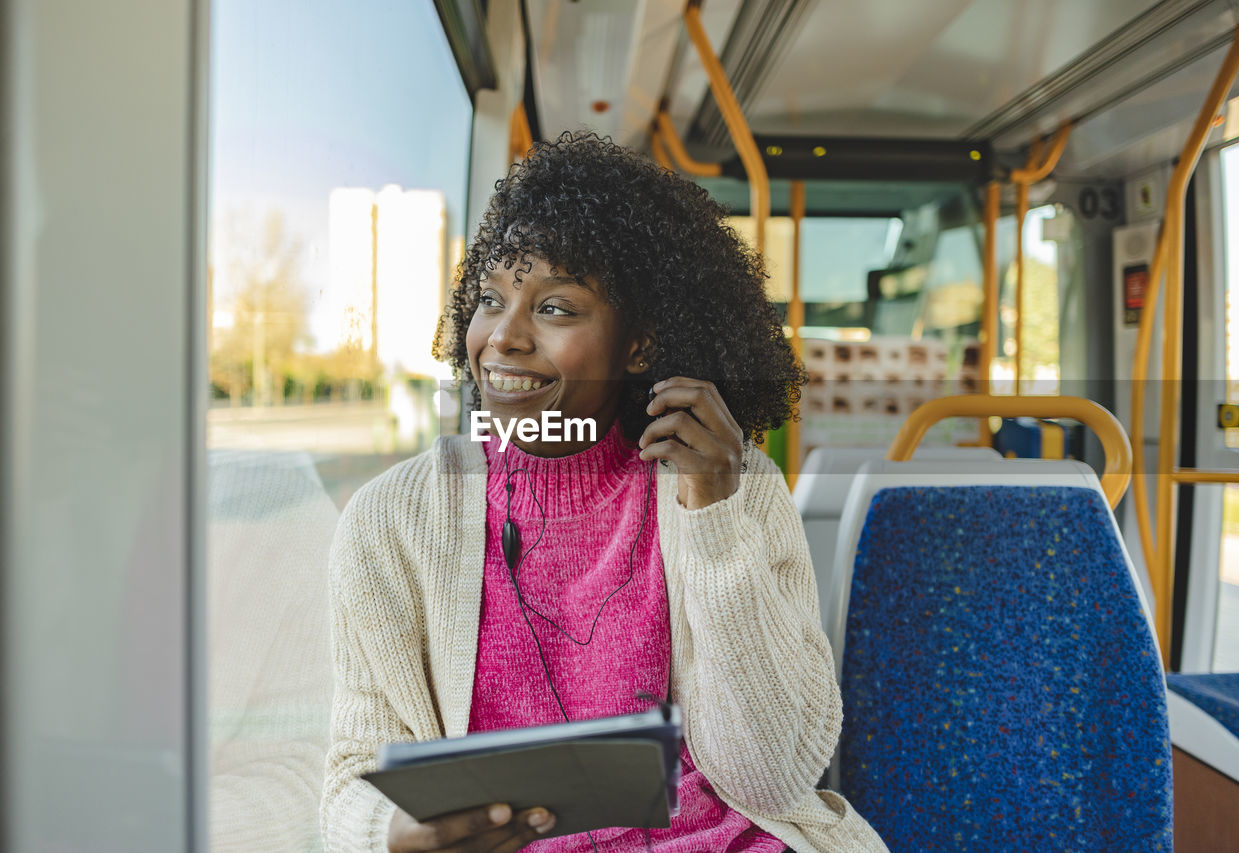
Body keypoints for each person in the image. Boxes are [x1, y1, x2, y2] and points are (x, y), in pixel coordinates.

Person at [320, 132, 887, 853]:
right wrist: (393, 832)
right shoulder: (391, 522)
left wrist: (714, 516)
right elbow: (350, 780)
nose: (504, 338)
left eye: (556, 307)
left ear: (640, 344)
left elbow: (774, 778)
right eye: (492, 299)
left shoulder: (731, 485)